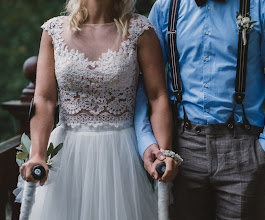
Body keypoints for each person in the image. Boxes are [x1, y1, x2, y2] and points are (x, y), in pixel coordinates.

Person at [135, 0, 265, 219]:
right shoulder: (166, 6)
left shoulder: (262, 4)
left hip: (244, 150)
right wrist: (148, 142)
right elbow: (146, 84)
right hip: (182, 150)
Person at [19, 0, 177, 219]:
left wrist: (164, 152)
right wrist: (38, 153)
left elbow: (157, 96)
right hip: (67, 155)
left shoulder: (140, 30)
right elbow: (44, 99)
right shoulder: (54, 31)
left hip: (121, 155)